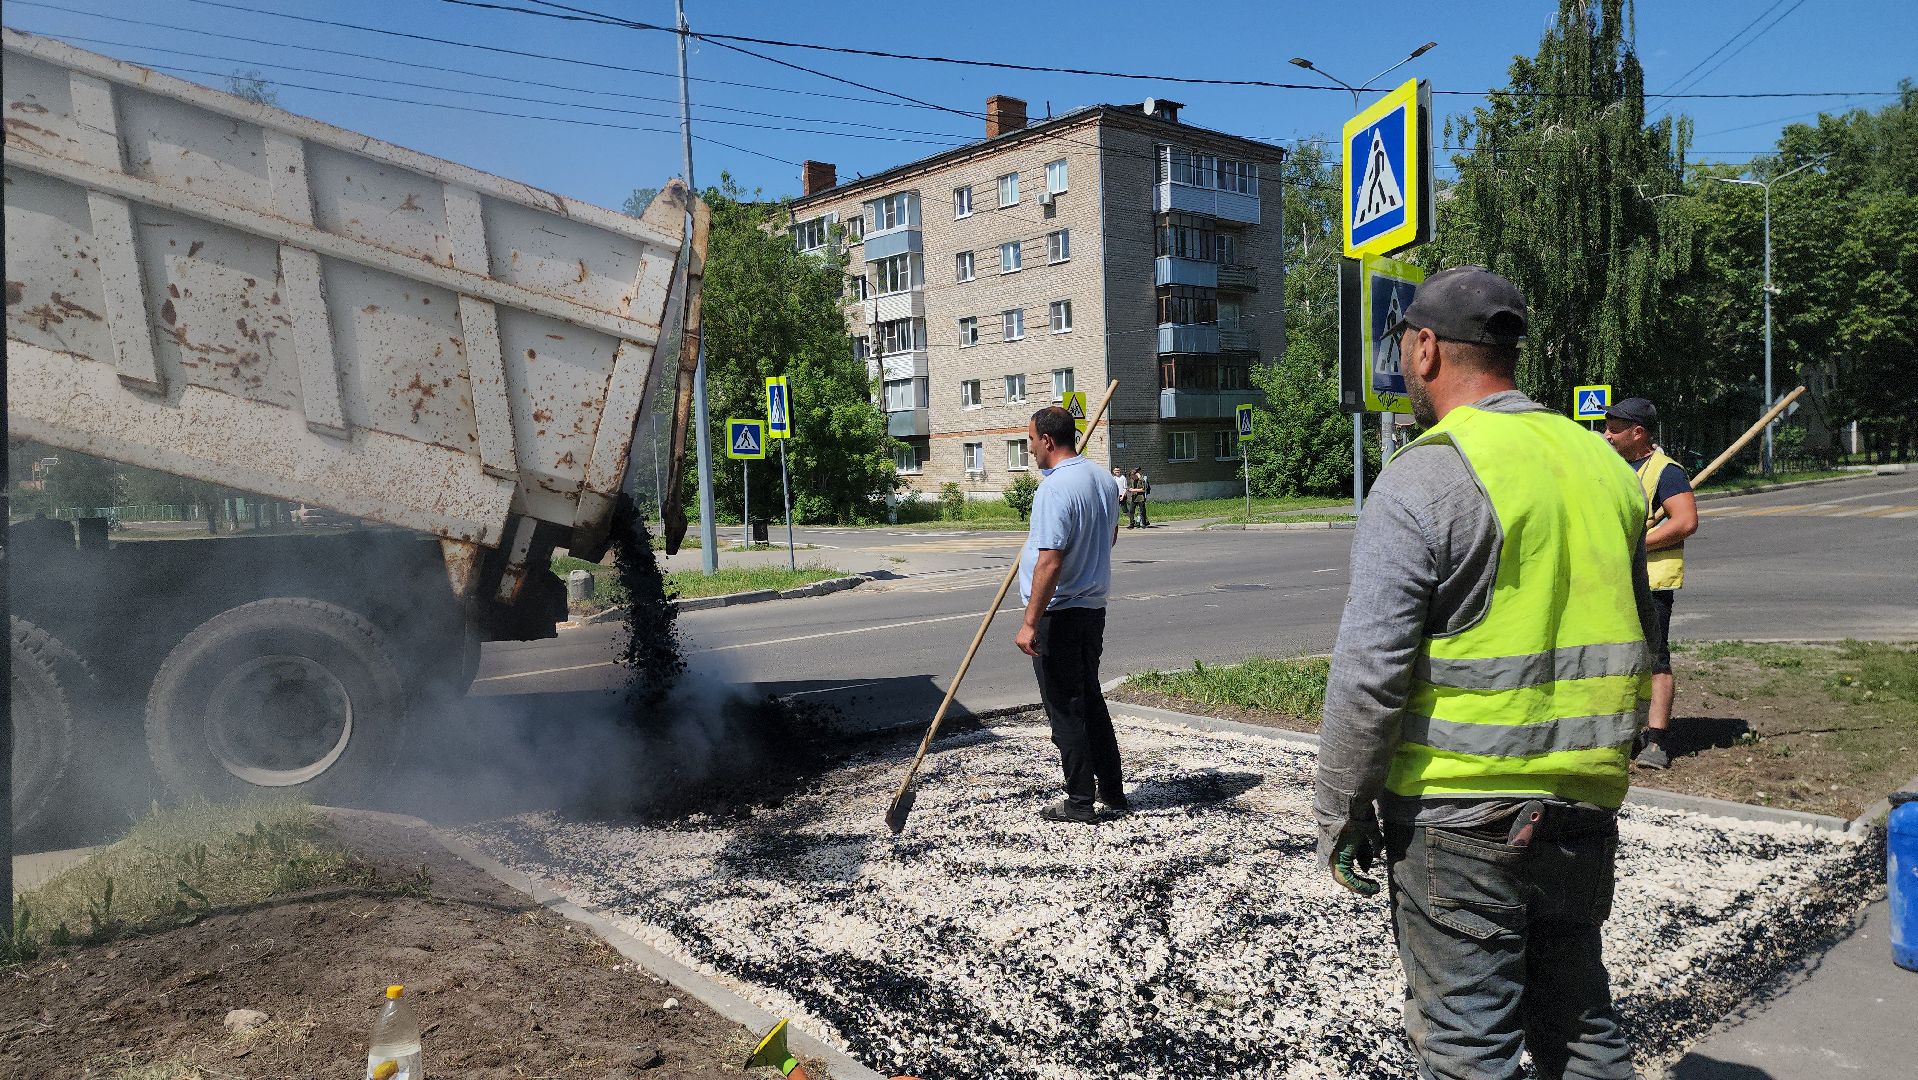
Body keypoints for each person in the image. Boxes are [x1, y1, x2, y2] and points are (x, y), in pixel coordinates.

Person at [1312, 266, 1656, 1080]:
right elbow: (1642, 631)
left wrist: (1340, 810)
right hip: (1583, 806)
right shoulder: (1606, 465)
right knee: (1580, 1027)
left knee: (1469, 1043)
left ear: (1426, 348)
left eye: (1403, 346)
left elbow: (1370, 674)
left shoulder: (1427, 474)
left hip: (1460, 819)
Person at [1015, 405, 1124, 823]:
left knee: (1065, 708)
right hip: (1092, 609)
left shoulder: (1055, 488)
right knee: (1090, 700)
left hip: (1058, 614)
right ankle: (1112, 791)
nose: (1029, 451)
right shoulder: (1101, 479)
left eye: (1029, 442)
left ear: (1047, 441)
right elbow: (1110, 536)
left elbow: (1050, 561)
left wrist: (1029, 622)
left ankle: (1079, 801)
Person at [1602, 397, 1697, 771]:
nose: (1606, 435)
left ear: (1637, 432)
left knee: (1655, 660)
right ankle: (1622, 733)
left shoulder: (1666, 471)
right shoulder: (1612, 467)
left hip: (1651, 583)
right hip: (1611, 579)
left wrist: (1637, 544)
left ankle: (1655, 741)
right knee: (1616, 657)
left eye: (1614, 429)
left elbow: (1685, 521)